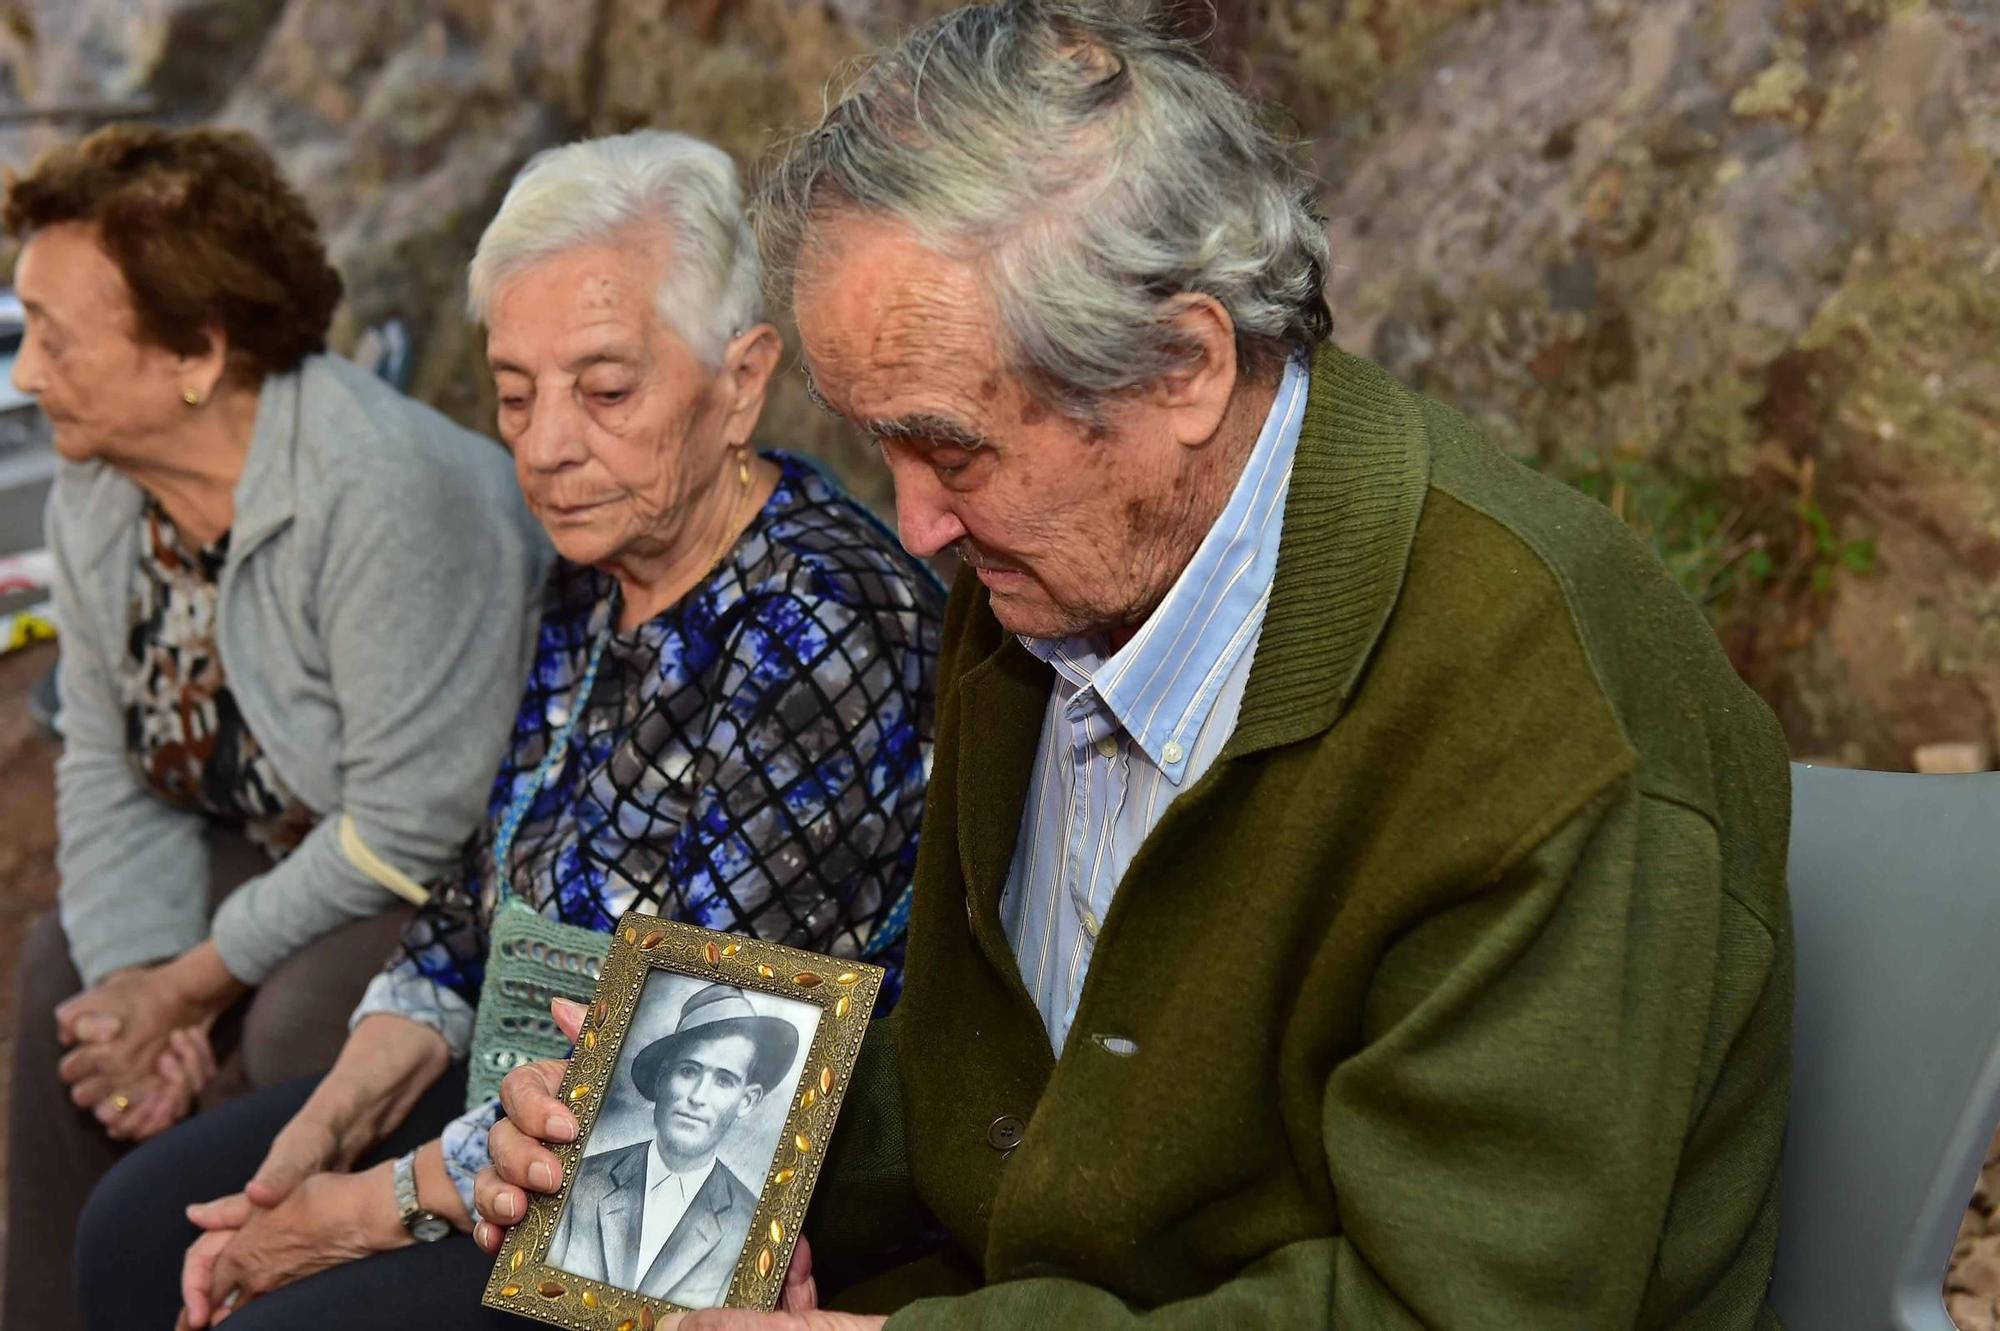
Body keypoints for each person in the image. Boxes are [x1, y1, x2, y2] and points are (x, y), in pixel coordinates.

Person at [480, 5, 1796, 1328]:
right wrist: (687, 1132)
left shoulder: (1528, 711)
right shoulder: (1055, 577)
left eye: (953, 447)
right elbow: (997, 1092)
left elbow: (1460, 1303)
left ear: (1185, 365)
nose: (916, 522)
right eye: (884, 443)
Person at [74, 128, 944, 1331]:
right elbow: (481, 890)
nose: (542, 447)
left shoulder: (822, 618)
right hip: (517, 1103)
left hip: (678, 1182)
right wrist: (330, 1119)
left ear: (741, 379)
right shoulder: (596, 569)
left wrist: (355, 1209)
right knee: (135, 1223)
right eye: (513, 393)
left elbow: (691, 1062)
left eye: (603, 390)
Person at [2, 126, 550, 1331]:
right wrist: (141, 990)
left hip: (449, 862)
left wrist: (190, 987)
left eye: (53, 334)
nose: (29, 372)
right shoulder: (104, 489)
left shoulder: (382, 490)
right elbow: (103, 752)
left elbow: (409, 824)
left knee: (304, 1012)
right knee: (65, 973)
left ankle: (248, 1282)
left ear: (197, 351)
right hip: (289, 831)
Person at [548, 984, 800, 1307]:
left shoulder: (754, 1226)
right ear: (661, 1079)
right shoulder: (579, 1182)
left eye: (724, 1080)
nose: (697, 1097)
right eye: (688, 1071)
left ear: (746, 1101)